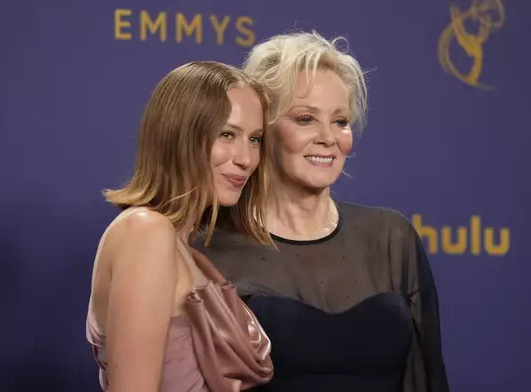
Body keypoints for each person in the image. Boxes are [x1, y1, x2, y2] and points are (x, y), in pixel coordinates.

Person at [191, 32, 450, 392]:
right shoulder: (205, 248)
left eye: (341, 121)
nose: (329, 137)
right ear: (263, 129)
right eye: (305, 119)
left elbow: (426, 379)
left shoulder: (391, 237)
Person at [85, 61, 274, 392]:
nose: (246, 158)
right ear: (180, 136)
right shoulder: (146, 232)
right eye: (227, 134)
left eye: (255, 139)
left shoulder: (183, 246)